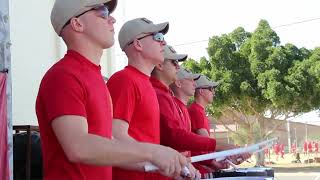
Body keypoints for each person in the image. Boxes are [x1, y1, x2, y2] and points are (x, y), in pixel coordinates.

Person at [36, 2, 187, 179]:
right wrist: (152, 152)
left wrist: (165, 164)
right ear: (77, 24)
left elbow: (110, 145)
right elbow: (78, 146)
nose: (112, 19)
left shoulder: (96, 77)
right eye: (103, 12)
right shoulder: (63, 76)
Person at [107, 18, 192, 180]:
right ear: (138, 44)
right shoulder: (124, 80)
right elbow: (116, 136)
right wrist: (158, 158)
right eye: (157, 37)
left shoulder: (145, 84)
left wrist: (174, 164)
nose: (163, 42)